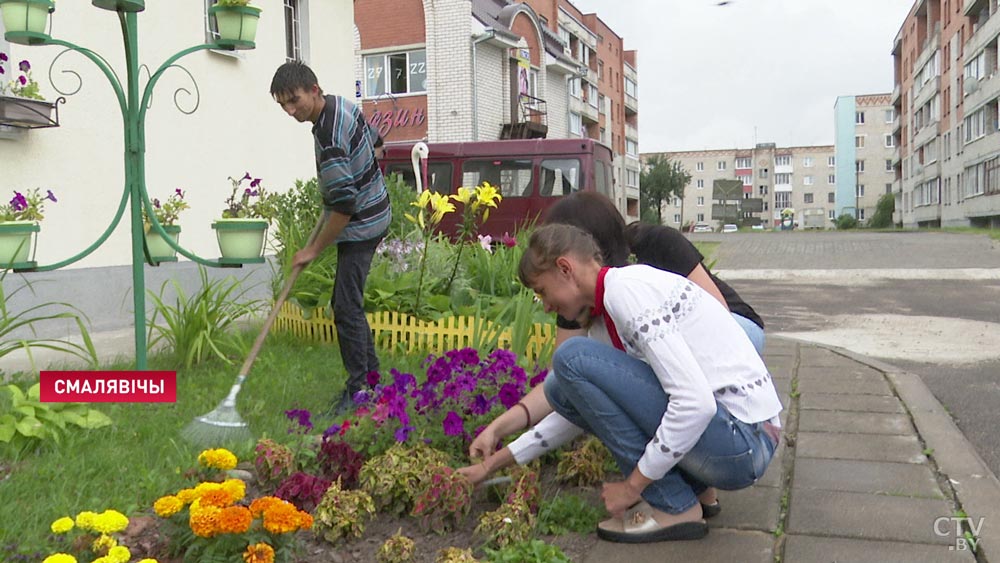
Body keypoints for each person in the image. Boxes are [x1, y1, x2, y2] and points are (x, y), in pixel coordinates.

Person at [458, 224, 782, 543]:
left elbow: (695, 403)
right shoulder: (604, 320)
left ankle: (674, 506)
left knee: (570, 358)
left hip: (744, 443)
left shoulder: (628, 291)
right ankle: (693, 492)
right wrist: (492, 464)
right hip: (730, 442)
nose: (545, 306)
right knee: (560, 388)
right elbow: (574, 413)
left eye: (542, 291)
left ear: (564, 268)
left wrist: (632, 487)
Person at [270, 61, 391, 415]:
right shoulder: (342, 106)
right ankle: (371, 381)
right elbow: (377, 143)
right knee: (347, 303)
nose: (291, 111)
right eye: (283, 105)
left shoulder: (328, 135)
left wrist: (312, 250)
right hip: (376, 210)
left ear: (314, 90)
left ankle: (360, 391)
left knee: (345, 307)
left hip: (363, 223)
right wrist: (357, 172)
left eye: (295, 100)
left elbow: (343, 208)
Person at [543, 191, 765, 354]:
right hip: (669, 345)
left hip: (736, 327)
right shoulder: (572, 287)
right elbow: (563, 364)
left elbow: (718, 318)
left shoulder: (658, 243)